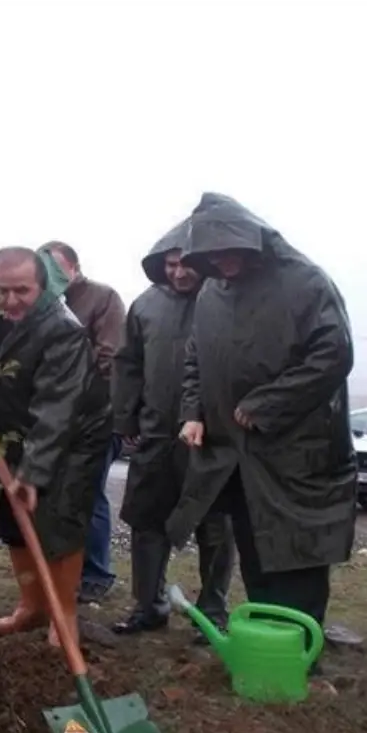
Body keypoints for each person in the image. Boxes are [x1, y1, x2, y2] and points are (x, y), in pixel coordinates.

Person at [167, 193, 356, 635]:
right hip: (235, 452)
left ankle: (301, 646)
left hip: (296, 449)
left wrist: (266, 403)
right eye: (211, 255)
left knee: (298, 551)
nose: (222, 262)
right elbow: (196, 357)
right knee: (253, 544)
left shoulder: (306, 282)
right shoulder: (212, 291)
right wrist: (193, 411)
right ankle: (267, 635)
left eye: (228, 251)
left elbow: (333, 353)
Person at [0, 246, 111, 650]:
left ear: (42, 286)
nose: (10, 301)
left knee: (60, 524)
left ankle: (63, 617)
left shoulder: (62, 328)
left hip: (73, 436)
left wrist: (31, 473)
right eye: (2, 290)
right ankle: (31, 607)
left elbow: (56, 409)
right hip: (15, 430)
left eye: (22, 291)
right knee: (16, 523)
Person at [111, 220, 233, 640]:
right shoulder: (145, 305)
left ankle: (214, 611)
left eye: (186, 264)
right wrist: (125, 417)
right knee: (146, 520)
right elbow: (127, 364)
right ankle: (149, 605)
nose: (179, 272)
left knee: (215, 525)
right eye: (170, 264)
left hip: (211, 437)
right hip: (156, 434)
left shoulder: (225, 300)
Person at [37, 241, 125, 604]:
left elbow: (111, 357)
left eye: (58, 270)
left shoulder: (103, 298)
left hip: (95, 415)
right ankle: (60, 569)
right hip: (52, 418)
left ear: (74, 267)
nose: (52, 278)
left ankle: (96, 573)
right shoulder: (40, 304)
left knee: (89, 494)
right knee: (59, 497)